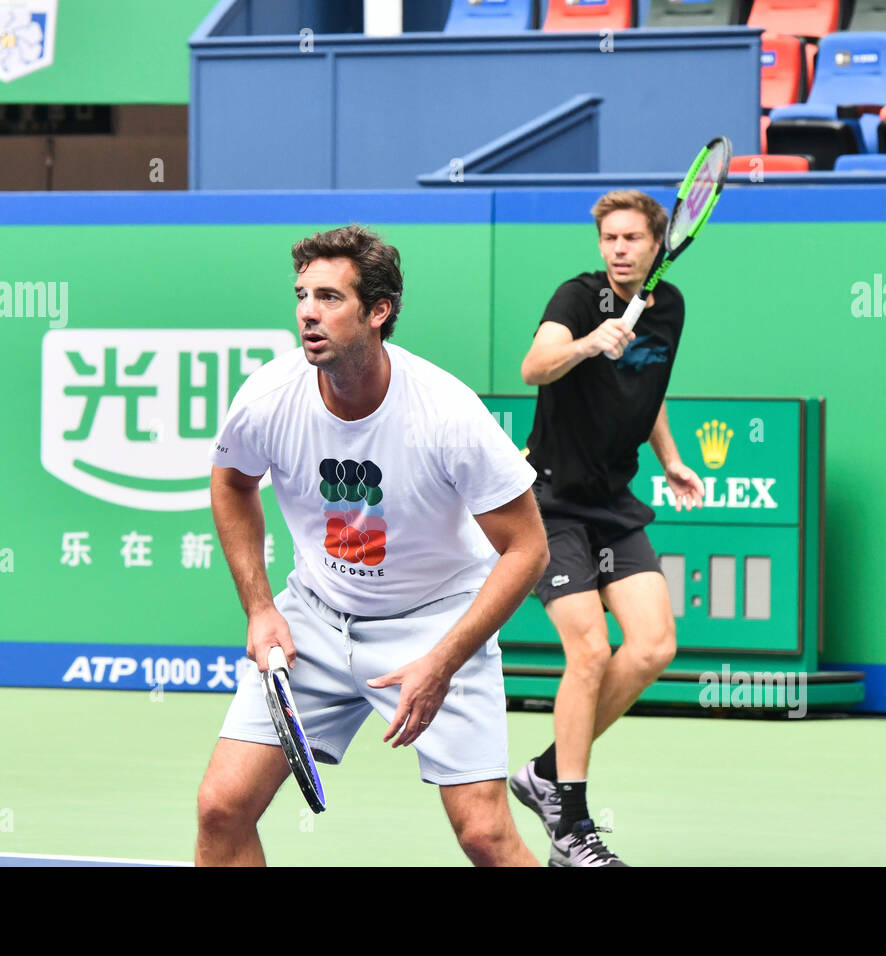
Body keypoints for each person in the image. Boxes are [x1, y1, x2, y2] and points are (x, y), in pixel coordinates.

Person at [196, 224, 548, 867]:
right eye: (302, 295)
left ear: (378, 311)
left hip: (436, 621)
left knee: (485, 836)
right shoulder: (269, 396)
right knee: (222, 808)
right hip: (315, 618)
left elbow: (528, 549)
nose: (308, 312)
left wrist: (442, 662)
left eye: (330, 297)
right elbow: (231, 481)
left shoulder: (446, 413)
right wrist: (260, 608)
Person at [512, 190, 706, 867]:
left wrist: (671, 458)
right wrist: (589, 342)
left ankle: (544, 772)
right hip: (551, 502)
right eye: (609, 239)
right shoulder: (577, 298)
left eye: (632, 238)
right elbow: (534, 366)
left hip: (613, 501)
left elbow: (645, 390)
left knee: (653, 646)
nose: (619, 250)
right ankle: (571, 826)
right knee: (590, 651)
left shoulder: (669, 307)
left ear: (659, 244)